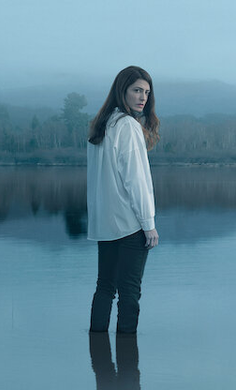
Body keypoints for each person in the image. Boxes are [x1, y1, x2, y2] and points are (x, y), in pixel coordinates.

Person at [87, 65, 161, 334]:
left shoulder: (101, 125)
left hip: (105, 222)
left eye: (146, 92)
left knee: (105, 287)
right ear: (123, 91)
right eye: (137, 90)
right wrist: (148, 223)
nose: (143, 97)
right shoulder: (128, 126)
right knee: (130, 293)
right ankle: (128, 365)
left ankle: (100, 358)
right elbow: (136, 180)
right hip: (130, 223)